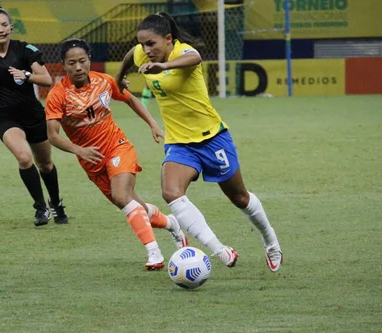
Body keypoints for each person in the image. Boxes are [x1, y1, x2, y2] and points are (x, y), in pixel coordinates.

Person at [115, 12, 283, 272]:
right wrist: (119, 78)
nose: (146, 50)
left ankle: (270, 241)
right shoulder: (141, 53)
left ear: (168, 39)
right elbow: (129, 55)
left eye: (152, 44)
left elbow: (196, 57)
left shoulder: (184, 53)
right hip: (179, 143)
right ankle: (219, 250)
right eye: (143, 44)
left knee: (239, 197)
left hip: (212, 139)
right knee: (171, 193)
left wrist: (165, 66)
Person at [45, 38, 188, 270]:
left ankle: (154, 254)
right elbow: (52, 135)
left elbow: (129, 99)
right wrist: (79, 150)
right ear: (64, 65)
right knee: (134, 206)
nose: (78, 67)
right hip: (91, 161)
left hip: (118, 147)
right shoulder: (57, 95)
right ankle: (172, 223)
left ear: (89, 60)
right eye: (72, 63)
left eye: (82, 61)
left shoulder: (105, 81)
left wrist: (152, 123)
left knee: (122, 197)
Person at [0, 6, 68, 227]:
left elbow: (47, 79)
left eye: (4, 25)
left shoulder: (25, 50)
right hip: (5, 117)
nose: (1, 29)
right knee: (23, 157)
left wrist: (26, 75)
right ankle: (41, 208)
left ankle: (56, 204)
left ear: (11, 27)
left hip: (33, 115)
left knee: (46, 164)